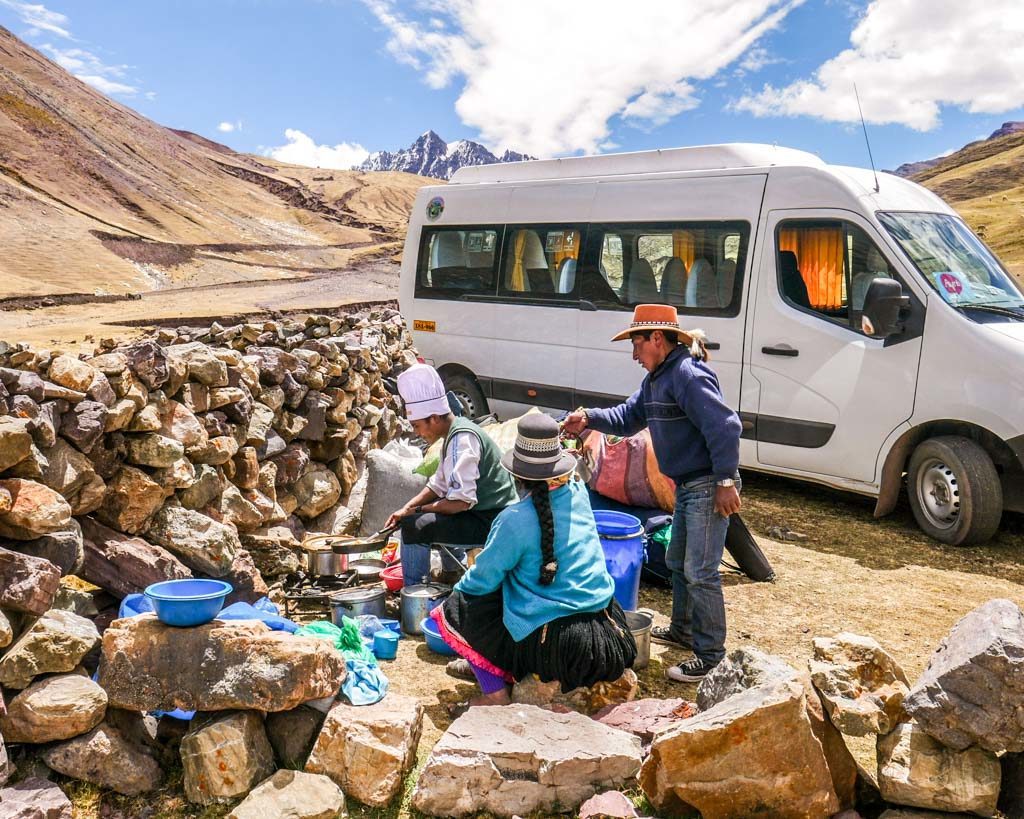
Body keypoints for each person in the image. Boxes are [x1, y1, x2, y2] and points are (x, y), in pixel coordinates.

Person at [562, 303, 742, 682]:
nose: (634, 354)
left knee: (701, 571)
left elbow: (726, 426)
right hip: (688, 486)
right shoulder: (657, 380)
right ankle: (683, 630)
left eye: (636, 344)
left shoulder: (688, 375)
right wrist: (588, 418)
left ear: (657, 339)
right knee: (677, 561)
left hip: (709, 484)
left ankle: (710, 656)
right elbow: (628, 418)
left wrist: (725, 480)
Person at [430, 413, 637, 708]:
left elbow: (482, 581)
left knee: (457, 606)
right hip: (607, 634)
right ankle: (494, 668)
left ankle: (494, 695)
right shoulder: (578, 493)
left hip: (559, 646)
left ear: (517, 474)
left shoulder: (514, 520)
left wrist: (456, 591)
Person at [386, 363, 518, 586]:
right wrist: (407, 507)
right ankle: (450, 573)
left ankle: (414, 592)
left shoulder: (462, 439)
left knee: (414, 527)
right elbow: (439, 484)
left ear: (434, 418)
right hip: (484, 512)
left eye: (418, 426)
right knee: (427, 511)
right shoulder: (454, 432)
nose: (417, 432)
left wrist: (416, 512)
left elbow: (460, 502)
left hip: (494, 520)